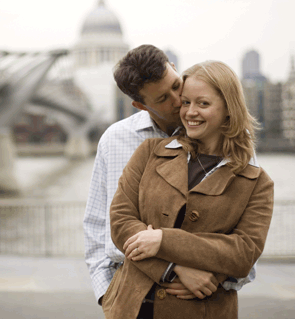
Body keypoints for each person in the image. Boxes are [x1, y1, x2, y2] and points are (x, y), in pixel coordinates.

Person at [83, 45, 256, 314]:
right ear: (140, 105)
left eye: (177, 85)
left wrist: (218, 278)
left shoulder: (231, 138)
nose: (178, 100)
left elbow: (247, 236)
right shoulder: (115, 141)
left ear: (175, 68)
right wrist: (107, 295)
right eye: (163, 97)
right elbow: (99, 228)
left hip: (206, 303)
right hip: (133, 304)